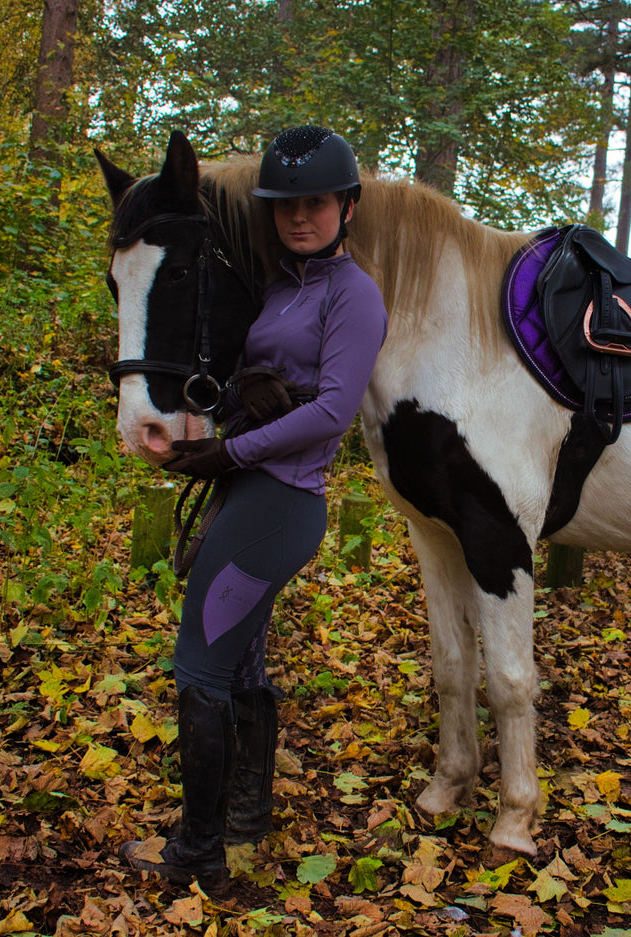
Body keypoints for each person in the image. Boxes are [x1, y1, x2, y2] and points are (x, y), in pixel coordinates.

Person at [120, 126, 388, 894]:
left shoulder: (354, 295)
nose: (299, 217)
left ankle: (197, 854)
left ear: (345, 207)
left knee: (198, 665)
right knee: (236, 662)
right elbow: (259, 379)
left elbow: (332, 411)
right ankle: (242, 823)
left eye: (316, 203)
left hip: (280, 501)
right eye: (284, 205)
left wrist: (228, 451)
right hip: (250, 493)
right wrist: (245, 391)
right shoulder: (278, 288)